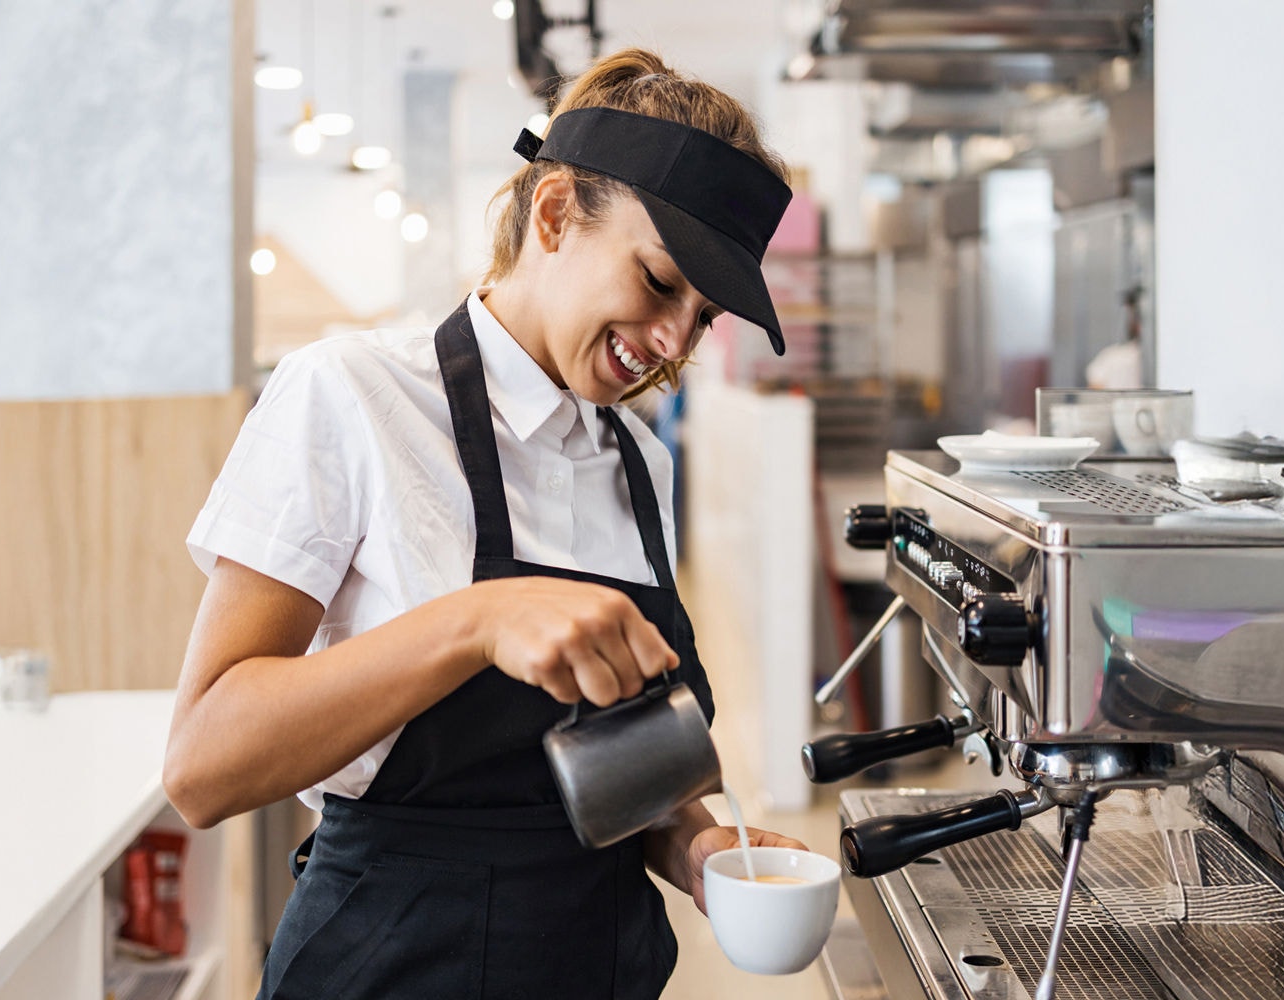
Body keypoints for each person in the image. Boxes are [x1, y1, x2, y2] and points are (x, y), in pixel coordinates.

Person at [165, 47, 808, 1000]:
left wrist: (695, 840)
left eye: (705, 317)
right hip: (390, 968)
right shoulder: (352, 395)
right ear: (553, 215)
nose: (676, 342)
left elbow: (606, 766)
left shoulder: (640, 463)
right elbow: (203, 765)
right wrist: (477, 621)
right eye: (661, 282)